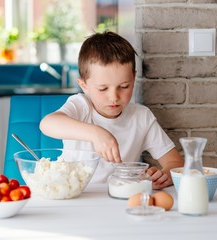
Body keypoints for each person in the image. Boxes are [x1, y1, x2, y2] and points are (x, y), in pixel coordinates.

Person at [39, 31, 184, 190]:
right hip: (76, 195)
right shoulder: (81, 106)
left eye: (124, 86)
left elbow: (175, 163)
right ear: (84, 85)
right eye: (103, 89)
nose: (113, 97)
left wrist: (163, 175)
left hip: (120, 197)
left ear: (134, 78)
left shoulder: (141, 117)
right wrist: (96, 133)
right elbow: (47, 124)